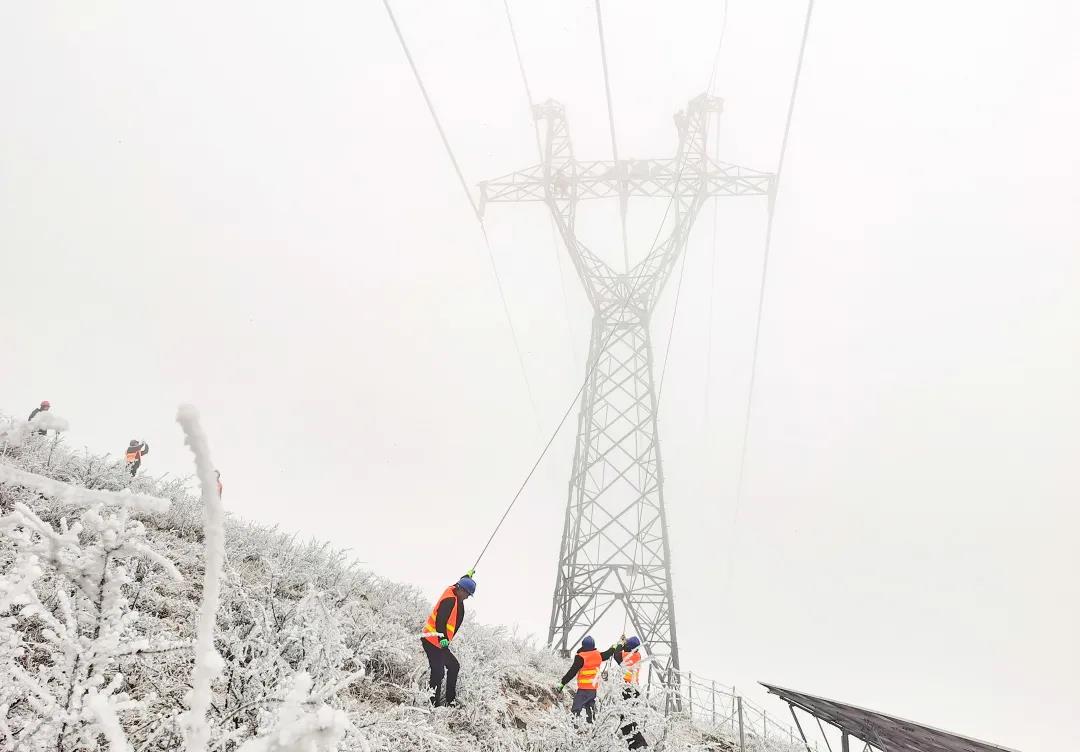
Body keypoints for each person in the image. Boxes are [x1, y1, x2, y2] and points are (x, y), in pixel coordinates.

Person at [420, 572, 476, 707]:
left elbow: (458, 583)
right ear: (460, 589)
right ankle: (433, 705)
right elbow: (440, 621)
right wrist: (443, 639)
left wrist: (466, 576)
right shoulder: (450, 600)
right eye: (467, 593)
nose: (467, 597)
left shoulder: (454, 592)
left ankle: (450, 701)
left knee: (454, 666)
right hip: (433, 641)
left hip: (438, 642)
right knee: (438, 673)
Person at [556, 635, 624, 723]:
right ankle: (591, 729)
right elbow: (607, 654)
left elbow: (572, 672)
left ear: (583, 645)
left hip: (583, 689)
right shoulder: (598, 655)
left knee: (576, 709)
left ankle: (573, 727)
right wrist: (616, 646)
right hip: (593, 689)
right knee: (590, 711)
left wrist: (562, 683)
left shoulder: (581, 657)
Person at [614, 636, 648, 749]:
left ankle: (639, 744)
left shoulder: (628, 656)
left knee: (626, 720)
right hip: (634, 690)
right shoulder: (637, 655)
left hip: (628, 690)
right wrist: (624, 643)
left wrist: (620, 643)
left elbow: (616, 655)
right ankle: (636, 744)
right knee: (627, 719)